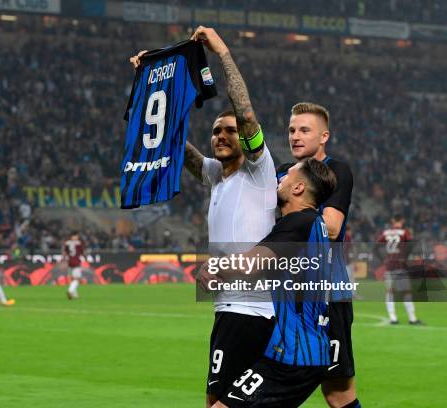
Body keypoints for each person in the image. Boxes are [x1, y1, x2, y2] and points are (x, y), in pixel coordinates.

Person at [132, 26, 277, 407]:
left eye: (229, 131)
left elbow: (244, 110)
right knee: (214, 399)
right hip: (226, 306)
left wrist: (222, 53)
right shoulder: (216, 175)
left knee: (219, 404)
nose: (221, 136)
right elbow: (173, 140)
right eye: (215, 131)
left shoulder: (259, 170)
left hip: (252, 309)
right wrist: (147, 86)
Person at [205, 158, 338, 407]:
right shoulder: (316, 225)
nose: (279, 180)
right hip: (308, 352)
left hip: (291, 358)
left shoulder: (297, 223)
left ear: (298, 188)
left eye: (286, 176)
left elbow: (251, 265)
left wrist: (213, 265)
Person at [277, 102, 360, 408]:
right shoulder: (282, 174)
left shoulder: (336, 171)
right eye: (291, 130)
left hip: (328, 297)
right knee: (269, 380)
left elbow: (333, 227)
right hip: (287, 298)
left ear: (323, 136)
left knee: (337, 393)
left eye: (304, 130)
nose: (295, 136)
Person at [377, 214, 422, 324]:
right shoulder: (404, 232)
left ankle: (393, 318)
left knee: (390, 293)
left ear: (393, 220)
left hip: (389, 266)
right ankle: (412, 318)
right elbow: (410, 245)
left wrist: (382, 259)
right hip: (400, 266)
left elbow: (376, 246)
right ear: (402, 220)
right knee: (406, 292)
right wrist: (405, 257)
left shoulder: (386, 233)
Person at [63, 231, 85, 299]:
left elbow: (65, 252)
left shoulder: (67, 243)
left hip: (69, 262)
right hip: (76, 262)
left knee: (73, 279)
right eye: (76, 236)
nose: (76, 237)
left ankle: (75, 296)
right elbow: (82, 252)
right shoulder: (79, 243)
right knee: (77, 279)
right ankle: (70, 290)